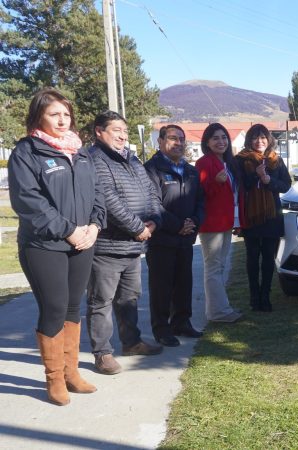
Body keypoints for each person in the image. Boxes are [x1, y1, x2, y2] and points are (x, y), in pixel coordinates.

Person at [9, 88, 103, 405]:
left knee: (74, 308)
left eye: (66, 114)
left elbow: (97, 194)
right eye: (54, 114)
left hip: (83, 242)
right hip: (44, 246)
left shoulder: (82, 152)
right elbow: (29, 203)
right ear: (39, 117)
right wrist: (69, 231)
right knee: (54, 308)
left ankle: (71, 372)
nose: (62, 120)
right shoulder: (27, 152)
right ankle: (54, 380)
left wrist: (94, 225)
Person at [87, 110, 163, 375]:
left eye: (125, 131)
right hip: (108, 246)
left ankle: (131, 343)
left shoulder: (132, 160)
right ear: (99, 131)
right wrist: (136, 227)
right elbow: (107, 198)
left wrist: (154, 219)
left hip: (133, 246)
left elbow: (152, 192)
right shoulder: (94, 159)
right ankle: (102, 353)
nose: (122, 135)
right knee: (101, 301)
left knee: (129, 298)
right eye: (116, 130)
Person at [144, 125, 206, 347]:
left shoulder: (191, 171)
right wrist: (178, 225)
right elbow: (152, 205)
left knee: (184, 282)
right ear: (160, 142)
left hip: (185, 238)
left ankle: (182, 322)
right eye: (172, 138)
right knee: (161, 286)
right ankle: (162, 328)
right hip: (162, 239)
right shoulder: (151, 170)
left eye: (181, 139)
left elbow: (200, 201)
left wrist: (195, 221)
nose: (178, 143)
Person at [234, 124, 292, 312]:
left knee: (268, 258)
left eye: (263, 138)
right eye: (255, 138)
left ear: (269, 140)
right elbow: (239, 185)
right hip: (251, 216)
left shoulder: (276, 160)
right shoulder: (241, 160)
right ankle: (254, 297)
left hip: (272, 216)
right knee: (252, 258)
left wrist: (270, 181)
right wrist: (256, 175)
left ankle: (265, 296)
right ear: (249, 140)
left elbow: (286, 185)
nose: (259, 141)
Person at [195, 123, 243, 323]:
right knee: (214, 267)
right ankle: (218, 313)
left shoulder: (227, 162)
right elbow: (200, 194)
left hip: (225, 222)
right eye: (215, 138)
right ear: (207, 141)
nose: (221, 141)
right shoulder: (204, 163)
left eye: (224, 137)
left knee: (220, 266)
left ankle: (220, 308)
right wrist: (216, 182)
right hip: (211, 224)